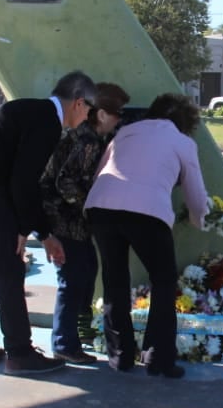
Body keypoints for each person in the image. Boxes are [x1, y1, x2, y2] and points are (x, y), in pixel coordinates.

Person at [0, 70, 97, 376]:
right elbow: (23, 184)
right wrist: (30, 230)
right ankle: (20, 352)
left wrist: (32, 228)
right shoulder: (47, 122)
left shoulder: (33, 110)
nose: (89, 117)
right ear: (79, 103)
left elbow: (19, 181)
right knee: (10, 266)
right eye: (90, 110)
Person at [85, 93, 208, 378]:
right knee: (163, 283)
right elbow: (196, 194)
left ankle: (120, 356)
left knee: (114, 280)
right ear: (186, 123)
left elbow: (101, 170)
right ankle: (158, 359)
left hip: (101, 207)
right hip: (147, 214)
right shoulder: (183, 142)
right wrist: (197, 219)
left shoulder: (125, 132)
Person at [39, 81, 130, 364]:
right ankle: (65, 342)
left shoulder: (90, 138)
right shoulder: (88, 140)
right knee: (73, 278)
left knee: (86, 271)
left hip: (70, 219)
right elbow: (64, 181)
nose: (120, 119)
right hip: (66, 220)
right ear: (101, 114)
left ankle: (77, 333)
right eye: (118, 113)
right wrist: (89, 206)